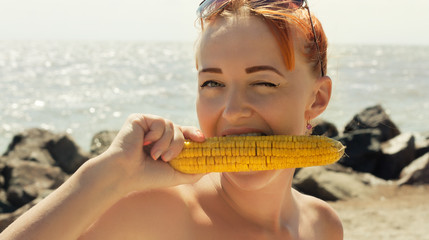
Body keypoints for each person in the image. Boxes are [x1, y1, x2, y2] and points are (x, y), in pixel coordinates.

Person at [1, 0, 343, 239]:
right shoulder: (154, 212)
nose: (232, 110)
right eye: (213, 83)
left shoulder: (323, 226)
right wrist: (110, 175)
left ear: (317, 99)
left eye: (264, 83)